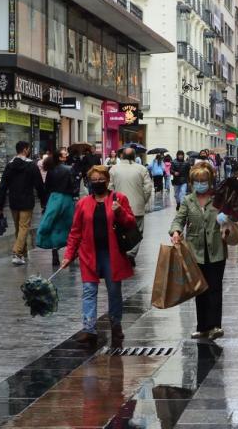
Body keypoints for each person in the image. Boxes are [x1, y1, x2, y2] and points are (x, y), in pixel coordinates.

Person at [61, 166, 136, 344]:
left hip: (112, 254)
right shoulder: (83, 203)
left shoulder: (119, 199)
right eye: (93, 180)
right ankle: (89, 328)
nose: (97, 183)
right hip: (89, 254)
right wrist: (68, 255)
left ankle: (116, 325)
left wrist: (119, 211)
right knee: (88, 291)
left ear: (108, 180)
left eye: (101, 179)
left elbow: (131, 222)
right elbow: (75, 232)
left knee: (114, 291)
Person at [170, 162, 226, 340]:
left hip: (216, 249)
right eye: (196, 181)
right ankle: (203, 327)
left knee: (215, 289)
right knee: (200, 290)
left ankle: (215, 326)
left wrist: (227, 221)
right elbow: (179, 219)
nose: (200, 184)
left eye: (203, 180)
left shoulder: (219, 199)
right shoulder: (188, 200)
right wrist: (176, 232)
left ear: (210, 180)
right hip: (196, 252)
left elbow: (233, 218)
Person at [0, 141, 46, 266]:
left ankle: (23, 252)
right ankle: (17, 253)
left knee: (19, 227)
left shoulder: (9, 165)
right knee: (24, 227)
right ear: (25, 150)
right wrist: (44, 202)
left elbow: (3, 186)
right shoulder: (31, 166)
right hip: (27, 200)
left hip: (13, 201)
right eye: (28, 149)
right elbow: (39, 185)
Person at [109, 147, 152, 264]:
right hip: (137, 205)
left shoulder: (113, 169)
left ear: (121, 156)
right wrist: (143, 200)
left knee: (120, 230)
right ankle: (131, 253)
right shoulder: (142, 169)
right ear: (134, 156)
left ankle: (123, 253)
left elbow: (110, 188)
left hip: (119, 206)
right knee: (137, 231)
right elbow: (148, 188)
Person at [38, 149, 78, 267]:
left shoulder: (50, 170)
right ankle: (71, 252)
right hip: (66, 198)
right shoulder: (69, 169)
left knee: (54, 224)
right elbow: (73, 187)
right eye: (64, 153)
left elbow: (47, 187)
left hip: (54, 198)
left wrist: (45, 203)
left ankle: (54, 252)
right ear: (60, 157)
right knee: (70, 225)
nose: (66, 154)